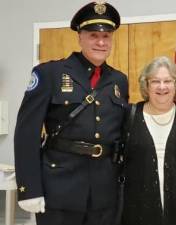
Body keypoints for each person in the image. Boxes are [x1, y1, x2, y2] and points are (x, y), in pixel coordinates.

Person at [14, 2, 128, 225]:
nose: (101, 42)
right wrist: (29, 188)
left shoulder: (119, 80)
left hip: (105, 192)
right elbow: (26, 132)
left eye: (107, 36)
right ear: (80, 37)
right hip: (59, 188)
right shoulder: (50, 74)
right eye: (94, 35)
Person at [121, 56, 176, 225]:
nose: (162, 87)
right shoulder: (129, 115)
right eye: (156, 81)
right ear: (146, 85)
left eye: (167, 81)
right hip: (136, 211)